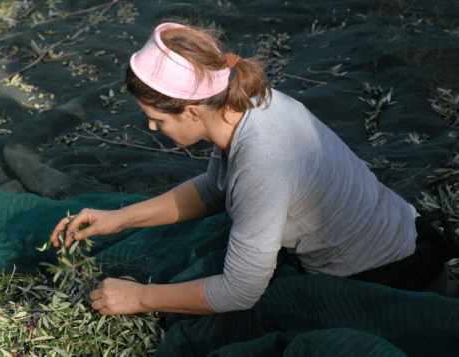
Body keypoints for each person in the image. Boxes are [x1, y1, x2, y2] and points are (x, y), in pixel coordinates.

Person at [50, 22, 459, 316]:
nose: (152, 128)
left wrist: (140, 297)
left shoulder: (263, 161)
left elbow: (239, 292)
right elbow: (215, 189)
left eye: (156, 119)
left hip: (388, 280)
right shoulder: (243, 102)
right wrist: (120, 220)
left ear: (192, 111)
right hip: (402, 234)